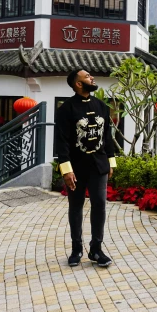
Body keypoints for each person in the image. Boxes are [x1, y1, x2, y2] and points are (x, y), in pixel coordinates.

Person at [55, 69, 117, 268]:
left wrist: (111, 162)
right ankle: (76, 249)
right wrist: (66, 170)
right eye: (87, 77)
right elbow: (62, 141)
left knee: (99, 204)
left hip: (98, 166)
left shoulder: (102, 106)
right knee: (76, 207)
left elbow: (107, 137)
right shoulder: (66, 109)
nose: (92, 78)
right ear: (78, 84)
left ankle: (96, 249)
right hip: (76, 168)